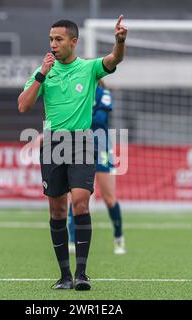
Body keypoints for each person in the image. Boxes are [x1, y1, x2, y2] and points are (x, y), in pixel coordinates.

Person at [17, 17, 127, 290]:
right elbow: (23, 105)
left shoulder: (89, 69)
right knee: (57, 210)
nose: (53, 44)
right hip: (53, 145)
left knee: (80, 202)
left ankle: (81, 274)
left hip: (81, 142)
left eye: (59, 39)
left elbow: (114, 60)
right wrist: (41, 74)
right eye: (51, 39)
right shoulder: (43, 71)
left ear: (73, 41)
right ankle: (64, 276)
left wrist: (120, 41)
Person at [67, 80, 125, 255]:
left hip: (101, 149)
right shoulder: (75, 92)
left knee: (109, 198)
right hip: (78, 146)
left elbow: (99, 119)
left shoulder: (103, 93)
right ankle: (71, 239)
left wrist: (80, 114)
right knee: (75, 195)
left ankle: (119, 237)